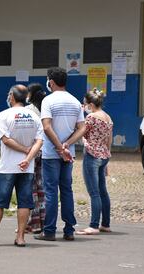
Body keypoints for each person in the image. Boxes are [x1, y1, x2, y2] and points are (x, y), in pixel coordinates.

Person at [0, 84, 43, 247]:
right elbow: (39, 141)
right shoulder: (34, 117)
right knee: (24, 202)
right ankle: (20, 238)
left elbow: (6, 140)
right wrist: (28, 157)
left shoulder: (4, 115)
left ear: (11, 96)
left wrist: (24, 150)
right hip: (27, 167)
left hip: (7, 167)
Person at [35, 67, 85, 241]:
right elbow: (82, 127)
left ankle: (49, 231)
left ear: (51, 82)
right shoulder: (75, 101)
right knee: (66, 191)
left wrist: (58, 147)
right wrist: (67, 145)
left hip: (51, 153)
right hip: (68, 154)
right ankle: (69, 230)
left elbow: (47, 126)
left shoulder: (48, 101)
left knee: (50, 192)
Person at [76, 88, 113, 235]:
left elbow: (81, 132)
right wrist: (107, 157)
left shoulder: (91, 117)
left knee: (94, 193)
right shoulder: (108, 117)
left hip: (92, 155)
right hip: (104, 156)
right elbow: (109, 139)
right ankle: (105, 224)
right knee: (103, 192)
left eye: (84, 104)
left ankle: (93, 225)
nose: (83, 106)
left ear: (90, 104)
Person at [25, 83, 47, 234]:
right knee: (42, 189)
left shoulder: (27, 111)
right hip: (46, 153)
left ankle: (33, 223)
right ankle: (43, 222)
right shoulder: (46, 110)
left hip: (32, 152)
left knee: (30, 189)